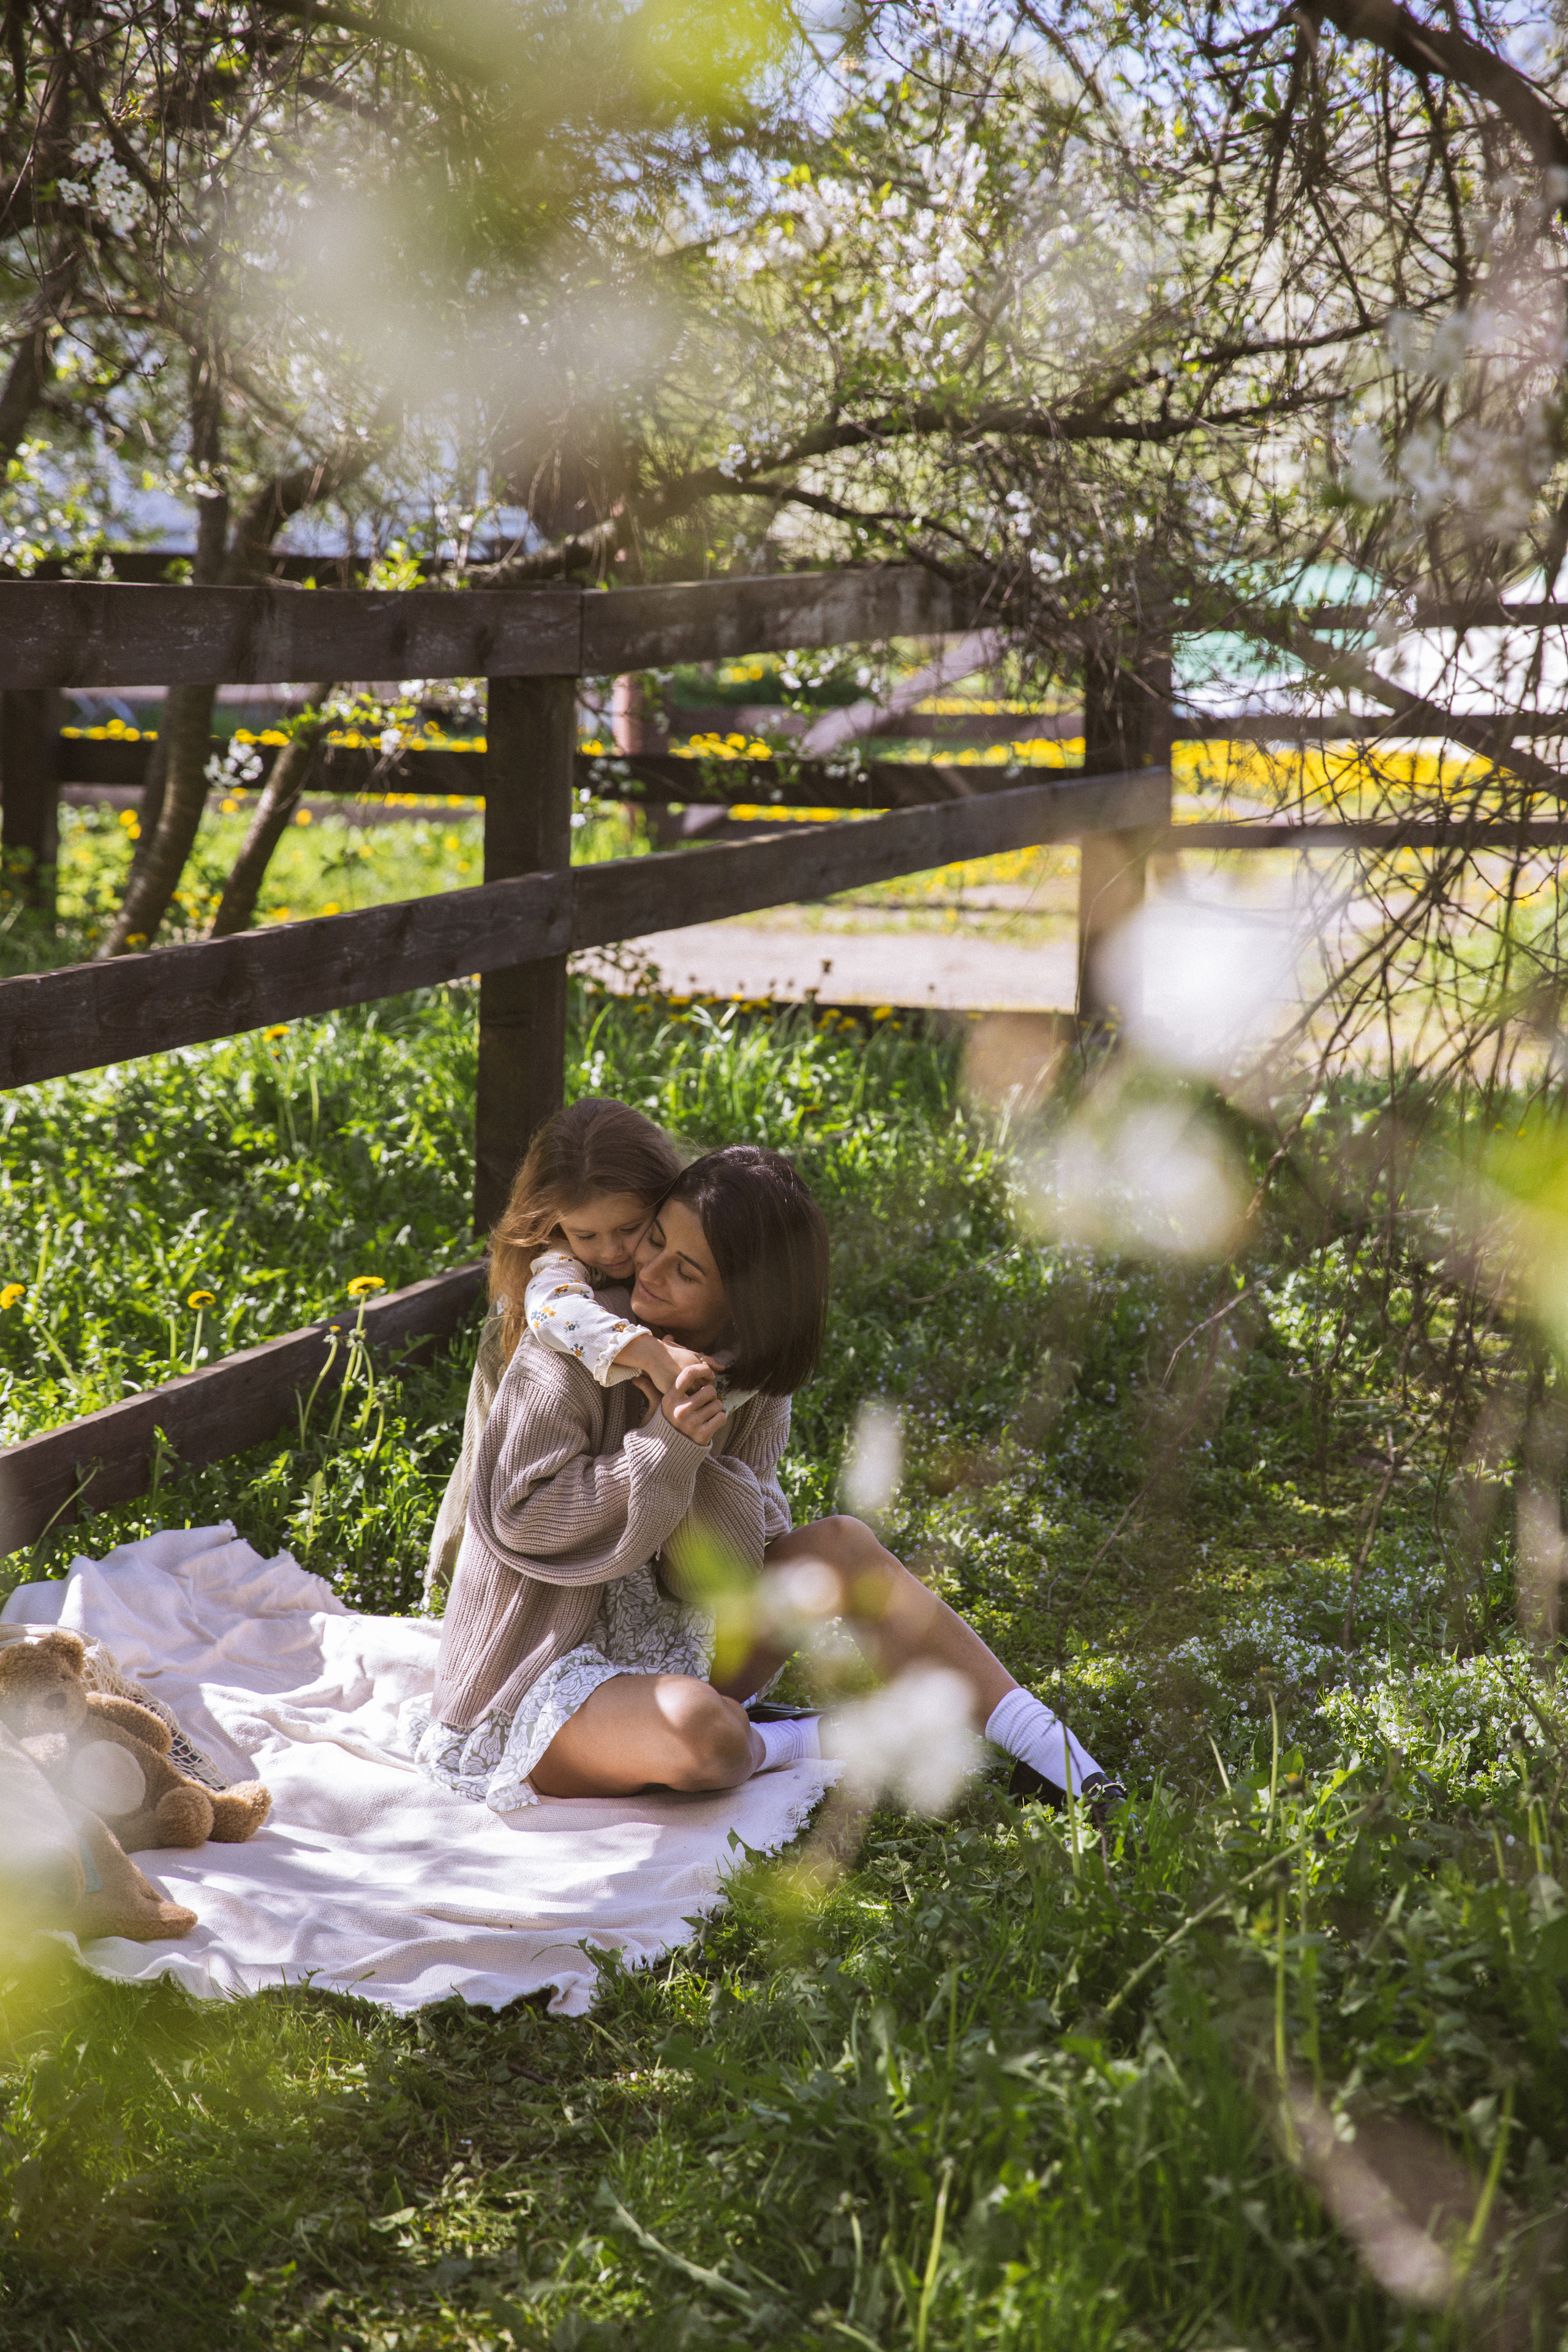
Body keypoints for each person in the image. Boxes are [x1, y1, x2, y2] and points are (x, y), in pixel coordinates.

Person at [418, 1127, 1124, 1816]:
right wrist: (666, 1445)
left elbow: (715, 1573)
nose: (645, 1274)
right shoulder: (573, 1342)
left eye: (685, 1270)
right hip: (544, 1676)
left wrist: (700, 1436)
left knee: (842, 1545)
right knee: (708, 1735)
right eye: (655, 1240)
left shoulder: (751, 1382)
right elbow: (520, 1519)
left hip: (676, 1640)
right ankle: (802, 1736)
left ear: (745, 1306)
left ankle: (1058, 1758)